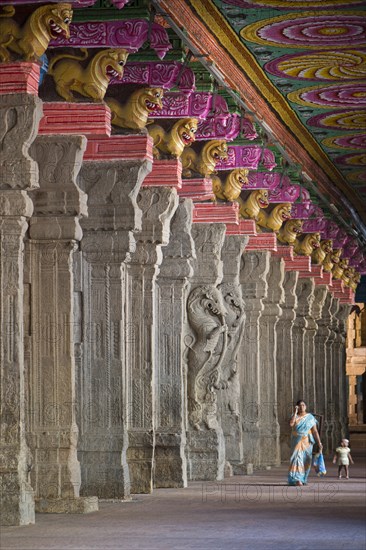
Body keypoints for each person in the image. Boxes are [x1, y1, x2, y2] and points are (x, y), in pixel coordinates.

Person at [288, 399, 323, 486]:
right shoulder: (294, 416)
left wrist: (319, 443)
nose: (301, 407)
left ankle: (303, 479)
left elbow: (314, 431)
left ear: (306, 406)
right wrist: (295, 412)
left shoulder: (310, 417)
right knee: (297, 458)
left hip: (307, 441)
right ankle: (297, 479)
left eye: (303, 405)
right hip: (297, 440)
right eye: (299, 405)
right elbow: (291, 424)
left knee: (307, 460)